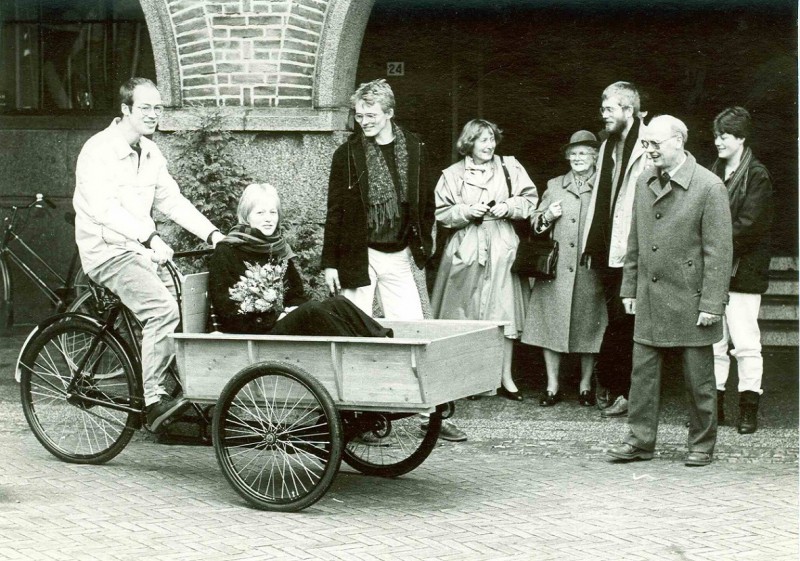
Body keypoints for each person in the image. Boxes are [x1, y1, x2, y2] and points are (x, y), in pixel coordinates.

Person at [73, 77, 226, 432]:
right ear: (125, 109)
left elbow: (171, 200)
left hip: (141, 250)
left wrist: (213, 233)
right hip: (108, 251)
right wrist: (150, 237)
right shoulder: (97, 151)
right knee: (162, 310)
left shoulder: (151, 152)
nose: (153, 114)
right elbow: (104, 210)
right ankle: (154, 400)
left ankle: (181, 394)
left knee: (189, 306)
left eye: (158, 108)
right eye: (145, 107)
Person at [320, 79, 466, 441]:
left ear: (389, 113)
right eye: (358, 115)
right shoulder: (347, 155)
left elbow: (426, 202)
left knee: (412, 329)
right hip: (359, 254)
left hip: (400, 253)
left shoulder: (414, 148)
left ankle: (429, 413)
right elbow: (335, 211)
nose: (363, 121)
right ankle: (357, 416)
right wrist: (330, 263)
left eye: (370, 115)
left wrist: (424, 243)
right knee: (357, 334)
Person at [607, 115, 732, 467]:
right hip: (649, 295)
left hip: (692, 301)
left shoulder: (709, 187)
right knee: (642, 376)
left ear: (678, 141)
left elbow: (719, 253)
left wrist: (712, 304)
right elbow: (635, 240)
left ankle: (702, 443)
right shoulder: (644, 180)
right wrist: (629, 287)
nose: (647, 151)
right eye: (645, 144)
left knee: (699, 381)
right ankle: (639, 440)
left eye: (654, 145)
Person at [430, 119, 538, 401]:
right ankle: (472, 378)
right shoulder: (452, 174)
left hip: (502, 244)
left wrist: (509, 206)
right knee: (466, 312)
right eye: (482, 140)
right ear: (469, 143)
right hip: (467, 246)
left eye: (492, 138)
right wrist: (466, 211)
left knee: (504, 314)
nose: (489, 144)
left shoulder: (510, 166)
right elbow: (441, 213)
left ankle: (506, 377)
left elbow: (529, 200)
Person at [208, 183, 392, 339]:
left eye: (273, 213)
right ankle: (359, 352)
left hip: (278, 325)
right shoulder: (228, 250)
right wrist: (274, 317)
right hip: (251, 333)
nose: (268, 219)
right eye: (260, 213)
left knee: (338, 302)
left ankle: (382, 340)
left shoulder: (278, 248)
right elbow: (226, 308)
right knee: (312, 310)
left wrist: (291, 310)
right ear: (246, 216)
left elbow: (297, 294)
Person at [521, 131, 608, 407]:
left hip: (588, 270)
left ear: (595, 156)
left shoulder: (605, 187)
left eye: (584, 153)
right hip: (557, 272)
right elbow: (534, 223)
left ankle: (585, 386)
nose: (578, 158)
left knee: (590, 329)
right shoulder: (555, 185)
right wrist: (547, 215)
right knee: (551, 327)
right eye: (573, 153)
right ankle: (552, 386)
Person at [581, 81, 650, 418]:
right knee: (619, 318)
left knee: (629, 321)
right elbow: (600, 199)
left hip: (639, 249)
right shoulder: (608, 145)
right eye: (603, 108)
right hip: (611, 249)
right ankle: (619, 387)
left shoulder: (650, 142)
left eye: (609, 109)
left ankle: (622, 387)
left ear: (628, 110)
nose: (603, 113)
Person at [710, 107, 773, 434]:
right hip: (714, 270)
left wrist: (710, 242)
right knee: (714, 342)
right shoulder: (714, 171)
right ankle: (715, 409)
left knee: (746, 343)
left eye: (725, 136)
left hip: (744, 272)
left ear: (741, 138)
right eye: (717, 135)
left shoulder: (757, 175)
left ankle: (748, 410)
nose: (718, 141)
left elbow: (750, 226)